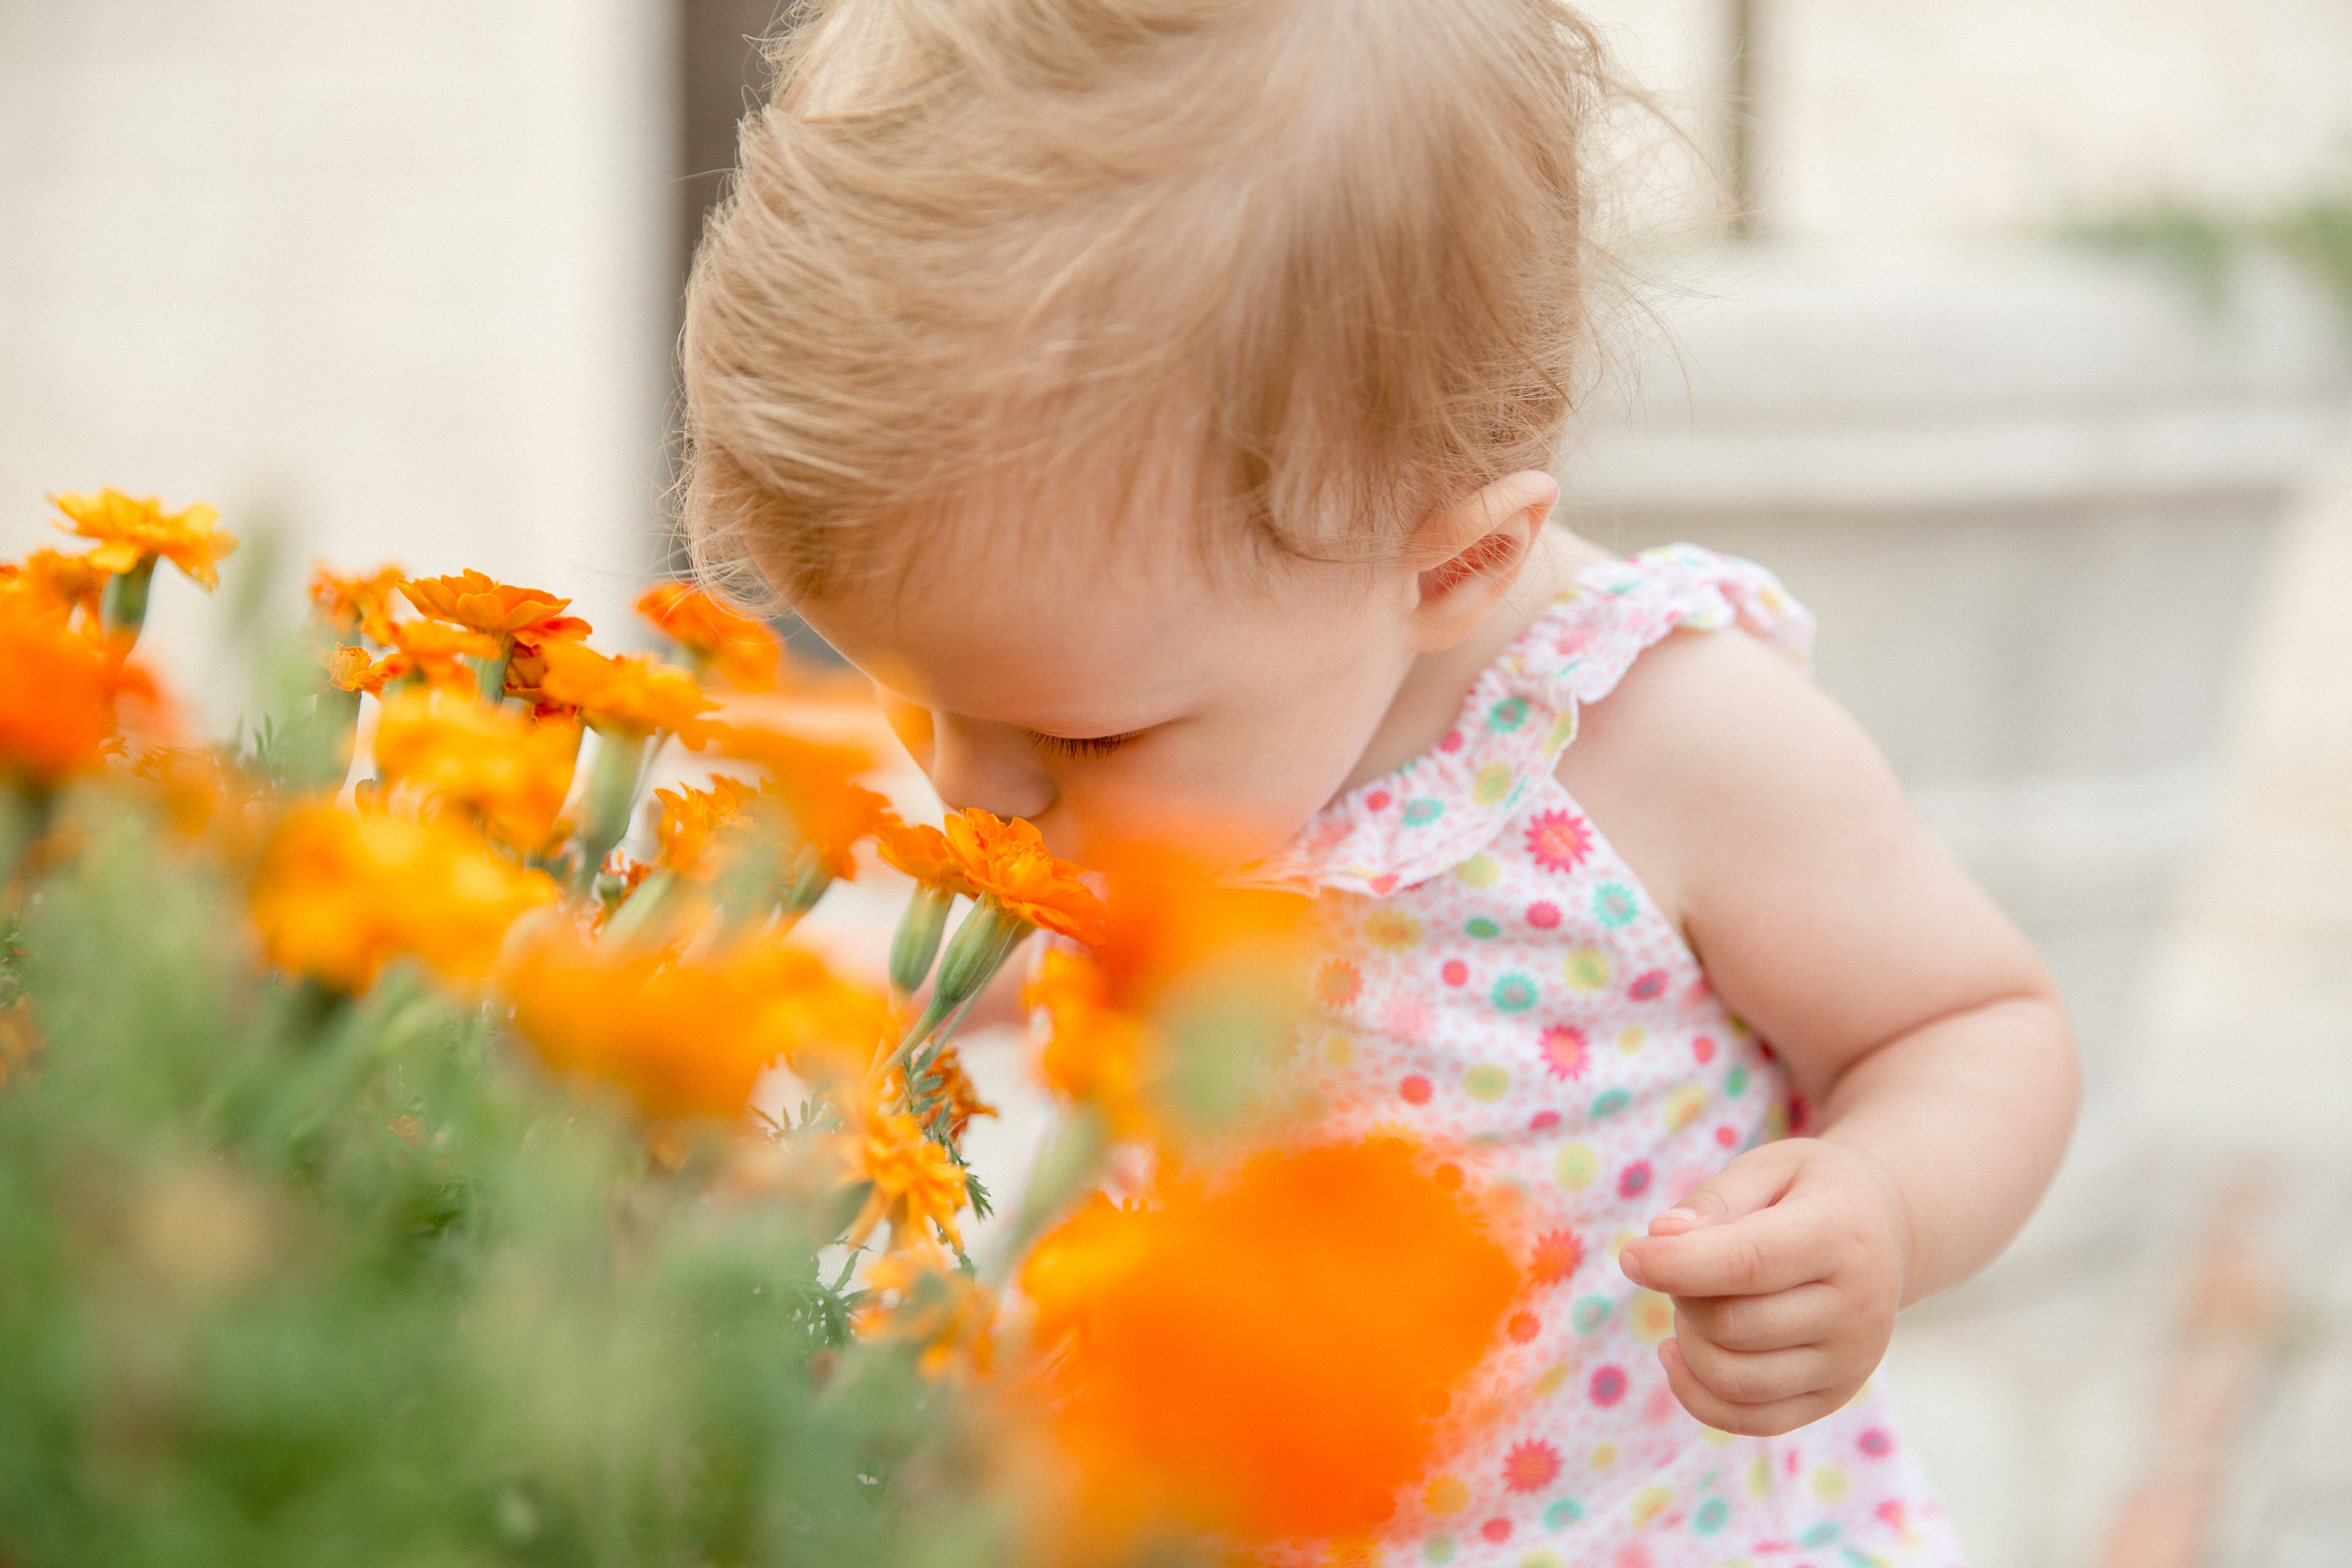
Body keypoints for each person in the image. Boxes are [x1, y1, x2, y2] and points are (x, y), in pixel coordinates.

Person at [677, 0, 2075, 1560]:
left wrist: (1876, 1207)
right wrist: (819, 1000)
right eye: (911, 696)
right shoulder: (1188, 706)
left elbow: (1972, 1025)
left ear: (1457, 562)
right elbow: (1090, 950)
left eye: (1074, 738)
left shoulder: (1665, 745)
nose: (972, 795)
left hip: (1626, 1524)